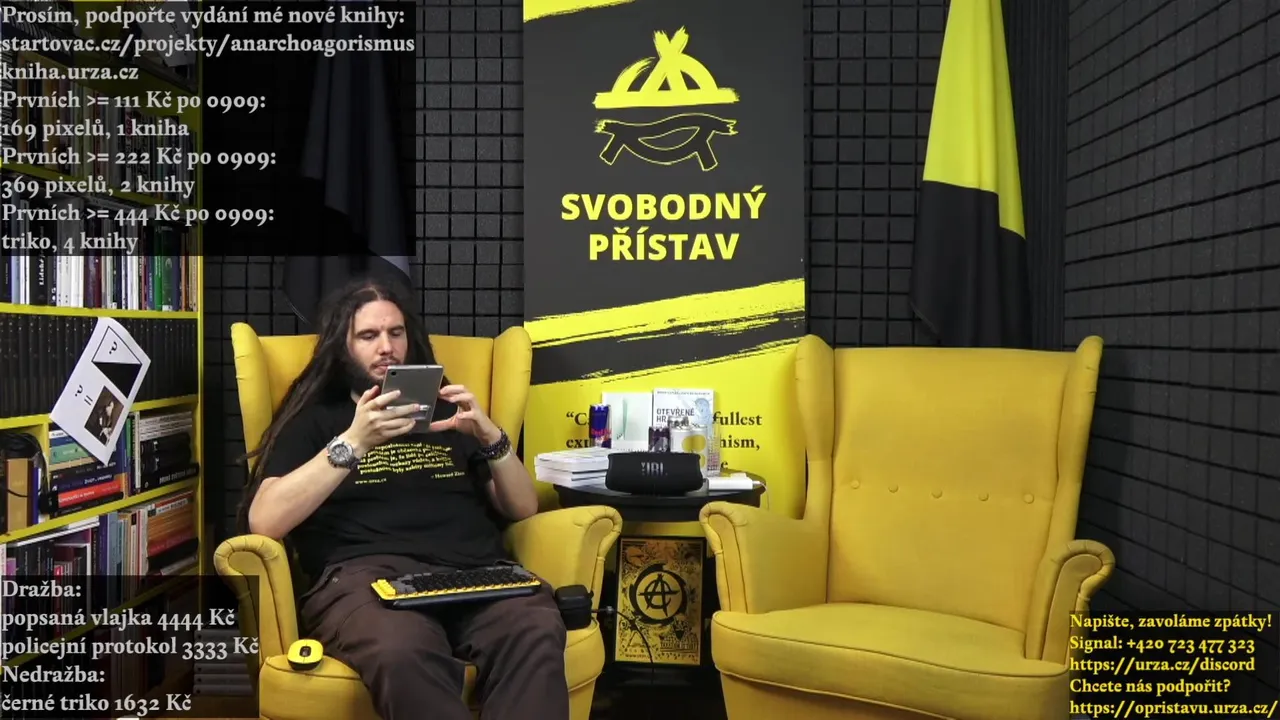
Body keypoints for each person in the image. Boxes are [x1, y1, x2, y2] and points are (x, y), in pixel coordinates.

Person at [237, 275, 569, 720]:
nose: (386, 347)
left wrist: (491, 436)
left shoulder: (450, 414)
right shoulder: (317, 418)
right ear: (342, 345)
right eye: (368, 336)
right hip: (366, 580)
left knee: (535, 626)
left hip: (474, 572)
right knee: (400, 648)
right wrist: (354, 442)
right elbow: (264, 520)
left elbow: (522, 507)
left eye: (396, 333)